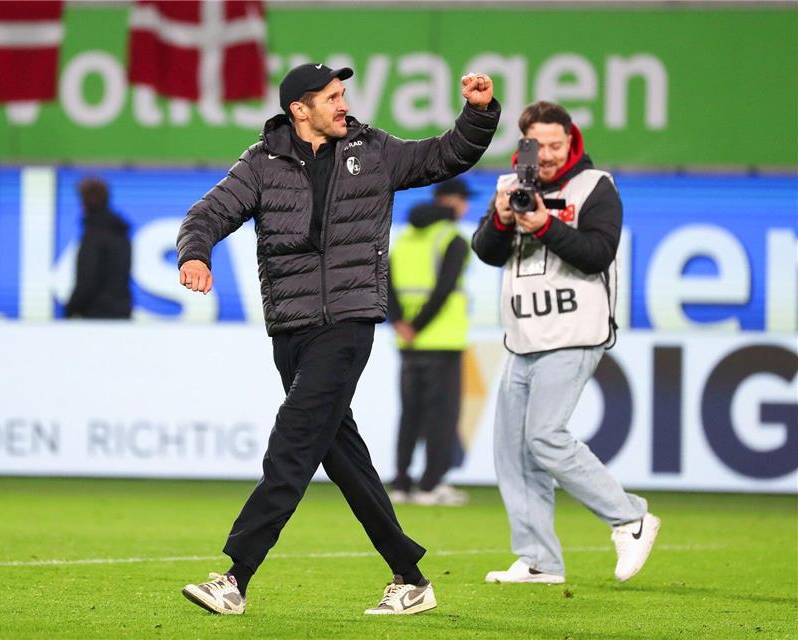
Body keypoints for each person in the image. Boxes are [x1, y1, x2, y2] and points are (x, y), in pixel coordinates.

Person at [177, 63, 500, 616]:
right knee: (341, 454)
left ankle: (236, 575)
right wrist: (194, 253)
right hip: (291, 328)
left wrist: (477, 113)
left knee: (295, 438)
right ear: (298, 110)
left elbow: (446, 155)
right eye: (330, 96)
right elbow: (206, 214)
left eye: (343, 94)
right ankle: (411, 577)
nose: (342, 103)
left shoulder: (374, 151)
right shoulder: (260, 163)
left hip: (347, 323)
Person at [472, 101, 659, 585]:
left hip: (576, 331)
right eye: (541, 145)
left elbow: (598, 254)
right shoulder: (510, 188)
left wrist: (546, 226)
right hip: (523, 335)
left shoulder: (596, 186)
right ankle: (538, 560)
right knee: (512, 451)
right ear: (524, 146)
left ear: (571, 139)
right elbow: (486, 253)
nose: (550, 155)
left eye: (558, 144)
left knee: (544, 436)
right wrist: (499, 220)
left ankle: (630, 517)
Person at [387, 178, 473, 507]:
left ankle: (401, 483)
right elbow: (444, 289)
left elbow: (387, 281)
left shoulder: (406, 236)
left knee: (410, 414)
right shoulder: (452, 239)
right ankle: (431, 484)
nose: (465, 206)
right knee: (442, 417)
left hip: (408, 343)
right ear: (450, 202)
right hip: (442, 340)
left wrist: (400, 323)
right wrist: (419, 325)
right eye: (463, 199)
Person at [64, 177, 132, 319]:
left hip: (96, 317)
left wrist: (70, 309)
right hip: (122, 313)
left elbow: (87, 281)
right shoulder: (121, 233)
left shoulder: (93, 236)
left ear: (84, 202)